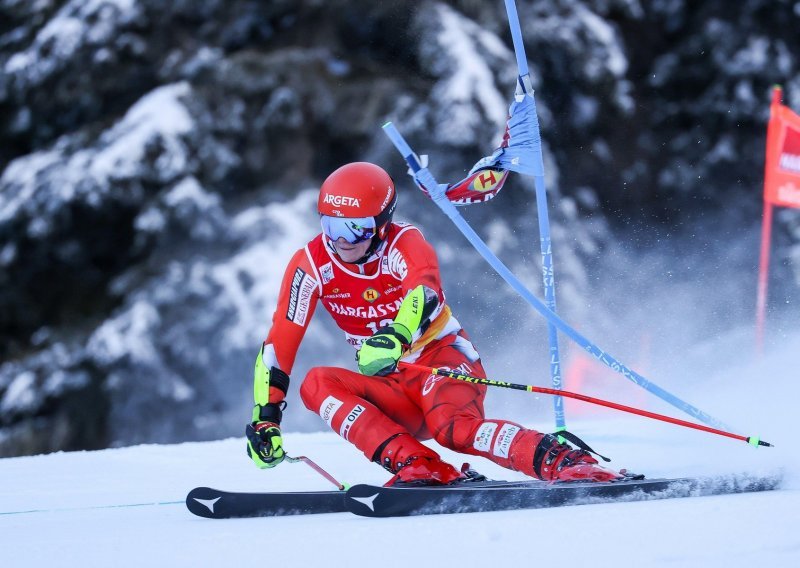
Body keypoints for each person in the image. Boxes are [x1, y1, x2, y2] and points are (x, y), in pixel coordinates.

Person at [245, 161, 622, 485]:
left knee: (452, 429)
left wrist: (396, 334)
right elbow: (280, 343)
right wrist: (266, 419)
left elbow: (424, 292)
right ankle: (420, 466)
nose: (342, 242)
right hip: (393, 386)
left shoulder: (403, 243)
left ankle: (561, 460)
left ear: (381, 223)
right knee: (317, 384)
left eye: (355, 229)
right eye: (331, 227)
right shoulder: (311, 264)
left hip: (442, 360)